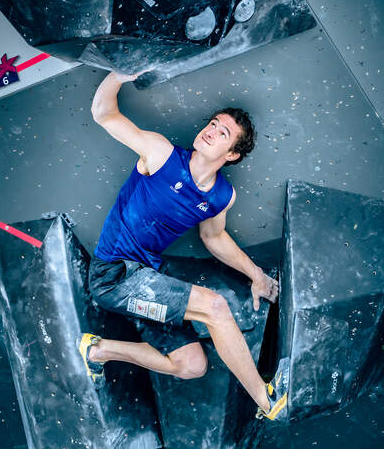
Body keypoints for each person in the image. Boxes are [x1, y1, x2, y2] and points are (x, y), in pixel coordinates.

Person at [78, 70, 288, 421]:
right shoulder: (160, 154)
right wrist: (119, 74)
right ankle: (267, 402)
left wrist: (256, 275)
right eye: (213, 123)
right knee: (215, 308)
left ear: (232, 154)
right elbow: (103, 114)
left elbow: (213, 237)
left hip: (146, 277)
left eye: (223, 133)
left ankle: (97, 351)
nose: (211, 131)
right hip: (113, 275)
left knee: (191, 365)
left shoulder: (222, 195)